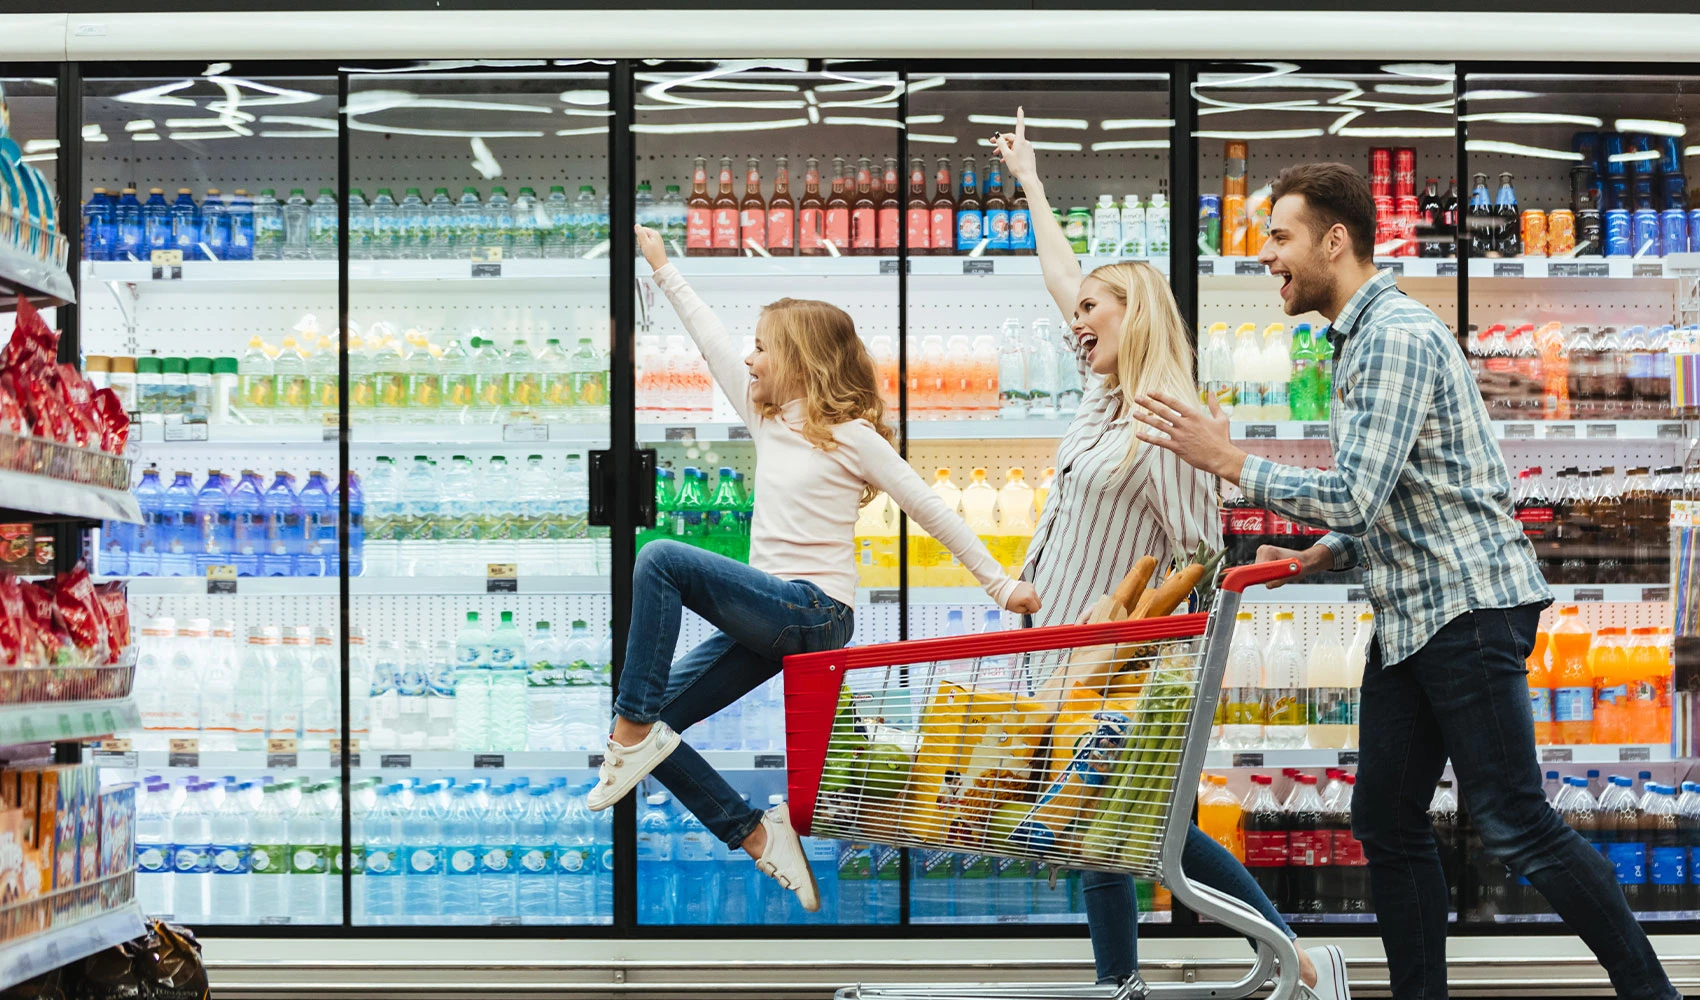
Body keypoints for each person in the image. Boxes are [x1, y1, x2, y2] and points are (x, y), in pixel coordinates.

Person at [1129, 161, 1677, 1000]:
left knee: (1513, 821)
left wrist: (1230, 461)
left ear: (1335, 240)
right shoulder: (1361, 337)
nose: (1266, 257)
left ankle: (1655, 994)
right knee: (1385, 817)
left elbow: (1356, 488)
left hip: (1466, 608)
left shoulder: (1392, 337)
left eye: (1280, 238)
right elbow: (1397, 496)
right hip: (1417, 613)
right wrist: (1326, 554)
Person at [991, 112, 1345, 1000]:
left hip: (1123, 664)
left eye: (1090, 312)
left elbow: (1196, 551)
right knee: (1109, 831)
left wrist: (1138, 658)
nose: (1073, 322)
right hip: (1062, 646)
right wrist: (1031, 182)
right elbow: (1064, 280)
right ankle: (1161, 979)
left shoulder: (1165, 415)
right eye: (1074, 314)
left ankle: (1287, 963)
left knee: (1137, 830)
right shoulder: (1102, 395)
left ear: (1132, 313)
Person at [589, 223, 1041, 913]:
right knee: (655, 728)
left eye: (763, 348)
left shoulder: (851, 436)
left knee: (659, 561)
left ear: (799, 358)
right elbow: (709, 338)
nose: (749, 359)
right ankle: (752, 832)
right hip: (767, 618)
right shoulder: (766, 420)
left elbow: (929, 506)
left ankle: (626, 733)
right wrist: (660, 264)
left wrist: (1000, 584)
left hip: (813, 612)